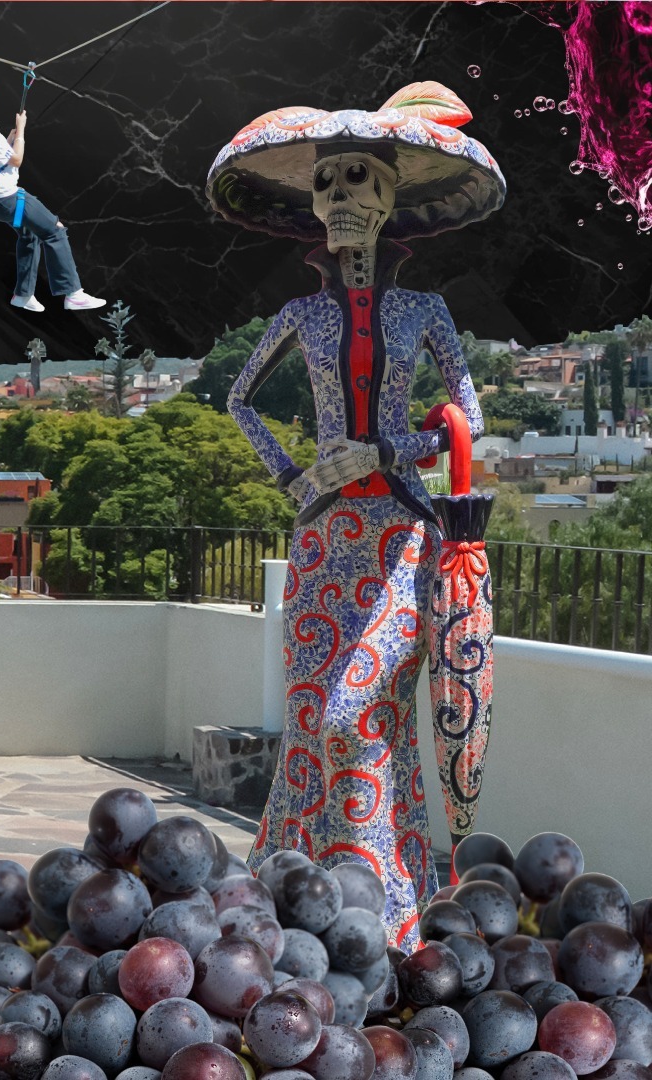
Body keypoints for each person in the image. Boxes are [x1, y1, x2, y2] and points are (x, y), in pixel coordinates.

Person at [206, 82, 506, 949]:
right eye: (328, 183)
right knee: (312, 718)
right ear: (312, 203)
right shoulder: (300, 313)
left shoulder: (426, 312)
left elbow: (469, 416)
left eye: (360, 181)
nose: (342, 197)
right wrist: (295, 478)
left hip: (402, 538)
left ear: (389, 200)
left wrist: (381, 454)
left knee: (359, 715)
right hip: (322, 539)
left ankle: (382, 896)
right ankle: (295, 902)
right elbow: (241, 399)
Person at [0, 80, 105, 314]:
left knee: (29, 234)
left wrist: (8, 140)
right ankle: (73, 294)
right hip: (7, 199)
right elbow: (16, 160)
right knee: (55, 230)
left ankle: (23, 295)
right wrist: (20, 129)